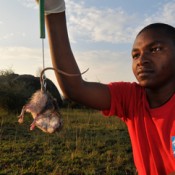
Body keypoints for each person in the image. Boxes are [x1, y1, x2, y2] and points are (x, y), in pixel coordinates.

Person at [36, 0, 175, 174]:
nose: (141, 60)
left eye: (155, 49)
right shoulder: (131, 97)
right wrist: (53, 10)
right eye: (135, 55)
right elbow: (75, 89)